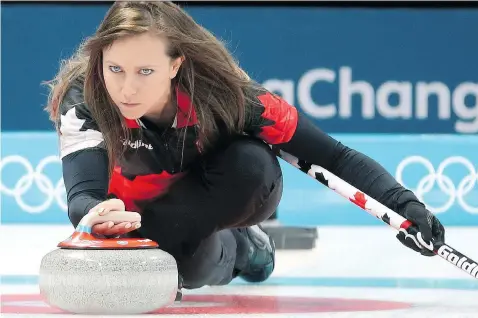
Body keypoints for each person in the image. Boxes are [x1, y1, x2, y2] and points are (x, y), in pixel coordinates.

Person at [44, 1, 445, 300]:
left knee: (250, 164)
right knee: (193, 266)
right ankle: (199, 251)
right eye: (115, 69)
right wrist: (95, 215)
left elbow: (334, 157)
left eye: (144, 71)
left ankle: (249, 247)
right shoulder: (84, 99)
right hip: (138, 217)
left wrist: (404, 206)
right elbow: (83, 195)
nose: (126, 89)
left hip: (216, 192)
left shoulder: (232, 97)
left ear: (175, 65)